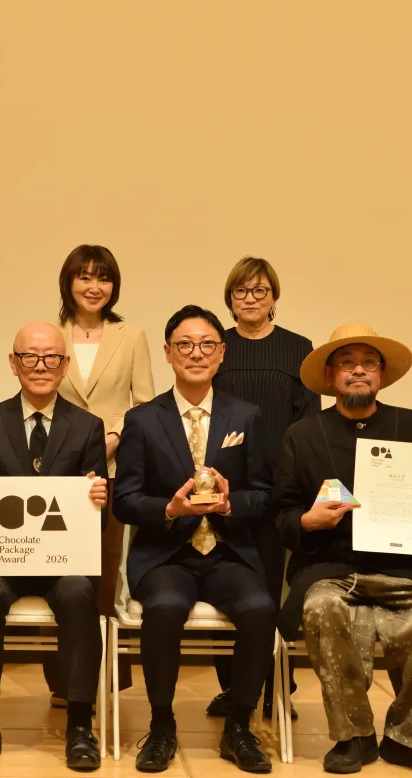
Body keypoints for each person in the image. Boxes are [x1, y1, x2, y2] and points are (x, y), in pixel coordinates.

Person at [274, 324, 412, 775]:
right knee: (322, 605)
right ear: (330, 376)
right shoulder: (302, 435)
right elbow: (281, 513)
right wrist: (306, 521)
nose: (358, 371)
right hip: (331, 569)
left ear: (382, 374)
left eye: (369, 363)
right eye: (347, 363)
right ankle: (354, 736)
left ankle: (410, 739)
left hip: (408, 570)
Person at [114, 305, 276, 774]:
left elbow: (264, 494)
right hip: (165, 554)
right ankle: (162, 725)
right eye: (184, 344)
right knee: (164, 607)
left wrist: (229, 505)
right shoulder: (142, 419)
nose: (196, 353)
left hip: (227, 552)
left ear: (222, 353)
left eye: (206, 344)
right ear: (168, 353)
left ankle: (239, 726)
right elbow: (124, 500)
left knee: (260, 609)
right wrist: (169, 509)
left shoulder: (246, 415)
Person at [0, 322, 108, 770]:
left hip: (63, 561)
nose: (41, 366)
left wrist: (98, 500)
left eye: (51, 357)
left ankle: (79, 724)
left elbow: (94, 518)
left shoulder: (88, 426)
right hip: (1, 559)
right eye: (30, 357)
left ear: (65, 365)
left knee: (79, 592)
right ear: (13, 363)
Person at [208, 257, 317, 720]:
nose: (250, 299)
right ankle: (233, 688)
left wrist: (296, 481)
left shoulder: (298, 348)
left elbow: (308, 421)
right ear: (229, 298)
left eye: (260, 290)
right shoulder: (217, 346)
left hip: (277, 489)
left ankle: (277, 687)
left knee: (270, 592)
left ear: (274, 297)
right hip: (223, 488)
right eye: (241, 291)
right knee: (225, 590)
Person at [55, 244, 155, 698]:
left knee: (107, 574)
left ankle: (107, 678)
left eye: (104, 277)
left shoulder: (130, 335)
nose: (94, 287)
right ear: (69, 282)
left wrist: (113, 436)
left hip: (115, 469)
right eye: (85, 277)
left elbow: (145, 405)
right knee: (59, 572)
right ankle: (63, 682)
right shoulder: (52, 333)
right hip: (59, 474)